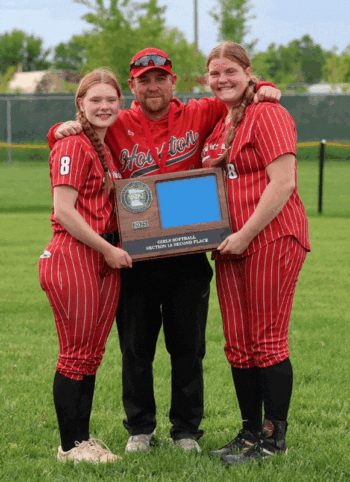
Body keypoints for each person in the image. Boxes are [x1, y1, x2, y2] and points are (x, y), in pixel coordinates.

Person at [48, 47, 281, 454]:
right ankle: (140, 427)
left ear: (174, 81)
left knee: (188, 346)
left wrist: (264, 87)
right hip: (135, 251)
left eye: (160, 78)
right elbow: (80, 132)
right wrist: (60, 128)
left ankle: (186, 429)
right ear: (132, 87)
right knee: (136, 346)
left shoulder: (201, 111)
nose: (152, 86)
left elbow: (235, 90)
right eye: (143, 80)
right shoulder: (118, 120)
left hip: (189, 249)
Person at [201, 41, 311, 465]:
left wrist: (245, 234)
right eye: (214, 73)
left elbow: (283, 183)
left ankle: (273, 438)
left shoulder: (270, 114)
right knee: (238, 344)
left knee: (266, 341)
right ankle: (248, 434)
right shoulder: (220, 123)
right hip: (231, 244)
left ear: (249, 73)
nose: (222, 79)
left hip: (270, 238)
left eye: (230, 71)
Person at [39, 69, 132, 464]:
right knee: (75, 354)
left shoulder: (104, 146)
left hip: (102, 257)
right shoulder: (73, 143)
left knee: (91, 354)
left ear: (119, 104)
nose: (104, 106)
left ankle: (83, 440)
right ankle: (70, 445)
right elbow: (64, 210)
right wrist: (107, 250)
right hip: (75, 253)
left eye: (110, 99)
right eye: (95, 100)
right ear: (80, 104)